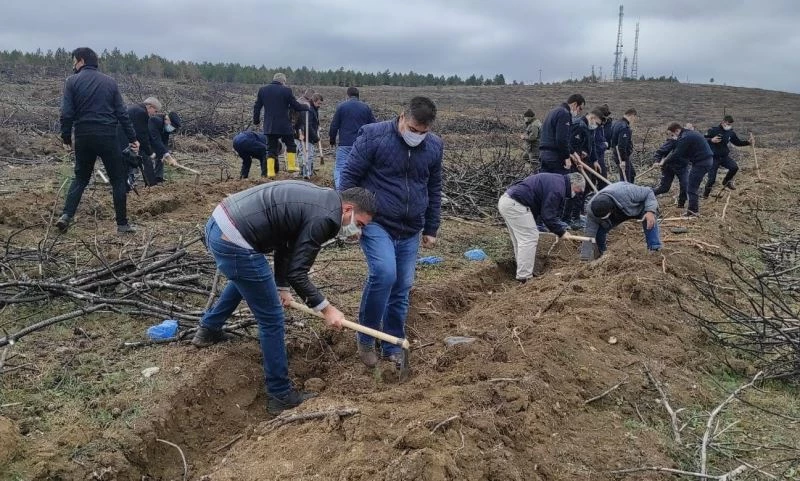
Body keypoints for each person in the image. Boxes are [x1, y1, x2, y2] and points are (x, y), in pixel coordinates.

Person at [192, 181, 377, 414]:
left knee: (248, 278)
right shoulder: (326, 219)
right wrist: (327, 309)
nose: (358, 232)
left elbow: (287, 242)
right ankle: (279, 395)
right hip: (234, 238)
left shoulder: (325, 200)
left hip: (220, 223)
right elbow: (298, 273)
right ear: (348, 209)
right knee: (271, 318)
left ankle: (208, 330)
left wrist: (281, 286)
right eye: (359, 224)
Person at [339, 96, 442, 368]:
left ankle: (392, 343)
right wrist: (350, 221)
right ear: (402, 117)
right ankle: (366, 338)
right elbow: (348, 177)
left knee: (402, 286)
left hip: (411, 226)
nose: (417, 136)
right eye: (413, 129)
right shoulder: (373, 136)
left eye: (423, 132)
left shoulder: (434, 146)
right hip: (377, 221)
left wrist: (431, 226)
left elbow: (434, 187)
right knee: (384, 274)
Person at [56, 47, 138, 234]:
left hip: (83, 136)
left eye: (74, 62)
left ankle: (66, 216)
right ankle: (122, 225)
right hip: (107, 136)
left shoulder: (72, 82)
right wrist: (133, 138)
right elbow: (122, 113)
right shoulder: (110, 82)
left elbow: (66, 113)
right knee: (118, 179)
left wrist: (66, 137)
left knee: (80, 178)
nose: (73, 66)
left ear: (81, 61)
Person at [498, 172, 584, 282]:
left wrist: (556, 228)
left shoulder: (557, 181)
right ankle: (524, 276)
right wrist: (561, 232)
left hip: (507, 201)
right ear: (573, 183)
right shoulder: (558, 189)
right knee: (529, 238)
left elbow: (547, 211)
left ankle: (523, 271)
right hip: (516, 204)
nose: (576, 194)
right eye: (578, 190)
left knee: (520, 240)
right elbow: (548, 216)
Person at [580, 182, 661, 260]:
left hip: (635, 207)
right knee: (599, 231)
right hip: (614, 215)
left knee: (649, 219)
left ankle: (654, 248)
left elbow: (649, 192)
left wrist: (650, 211)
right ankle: (602, 254)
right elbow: (589, 232)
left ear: (610, 210)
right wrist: (585, 257)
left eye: (603, 217)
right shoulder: (591, 209)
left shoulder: (627, 191)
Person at [253, 72, 309, 177]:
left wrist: (256, 120)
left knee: (270, 149)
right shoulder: (286, 90)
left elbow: (257, 107)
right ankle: (291, 166)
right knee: (291, 144)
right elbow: (296, 106)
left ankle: (270, 172)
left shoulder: (263, 90)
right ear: (283, 81)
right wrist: (306, 107)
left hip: (270, 125)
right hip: (284, 125)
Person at [329, 87, 376, 189]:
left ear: (348, 95)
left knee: (340, 168)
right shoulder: (366, 108)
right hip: (361, 145)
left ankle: (341, 192)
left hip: (344, 144)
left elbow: (334, 125)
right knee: (359, 169)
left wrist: (332, 140)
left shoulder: (341, 107)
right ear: (358, 96)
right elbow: (374, 126)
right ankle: (357, 192)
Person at [665, 122, 714, 217]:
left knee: (691, 187)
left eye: (673, 134)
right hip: (705, 160)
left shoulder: (685, 137)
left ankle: (693, 211)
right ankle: (693, 210)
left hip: (702, 162)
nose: (674, 136)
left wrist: (664, 161)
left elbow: (677, 153)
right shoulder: (689, 133)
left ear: (677, 130)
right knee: (692, 185)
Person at [703, 115, 752, 197]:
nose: (729, 126)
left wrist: (748, 142)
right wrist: (711, 140)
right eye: (728, 124)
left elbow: (737, 142)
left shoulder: (731, 133)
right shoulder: (713, 130)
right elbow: (702, 140)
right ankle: (705, 195)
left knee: (734, 167)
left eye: (730, 124)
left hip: (724, 157)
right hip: (713, 158)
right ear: (723, 122)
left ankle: (726, 181)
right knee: (711, 179)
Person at [119, 96, 162, 189]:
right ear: (150, 106)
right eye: (155, 111)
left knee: (131, 161)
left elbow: (144, 132)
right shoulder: (142, 113)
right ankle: (151, 184)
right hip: (124, 139)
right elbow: (142, 135)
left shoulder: (136, 108)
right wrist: (150, 152)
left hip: (123, 138)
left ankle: (129, 185)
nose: (155, 114)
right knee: (144, 158)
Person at [539, 94, 585, 174]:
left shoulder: (553, 112)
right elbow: (561, 139)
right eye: (580, 109)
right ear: (575, 104)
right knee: (560, 180)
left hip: (544, 155)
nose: (579, 112)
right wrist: (566, 157)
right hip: (555, 157)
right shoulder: (564, 114)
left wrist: (573, 153)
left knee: (546, 180)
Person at [651, 134, 688, 207]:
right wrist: (657, 161)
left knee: (685, 185)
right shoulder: (673, 141)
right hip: (668, 167)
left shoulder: (691, 141)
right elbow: (660, 152)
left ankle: (681, 205)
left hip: (682, 167)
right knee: (664, 188)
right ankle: (647, 193)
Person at [295, 93, 324, 179]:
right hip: (305, 135)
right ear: (314, 101)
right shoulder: (310, 110)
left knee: (306, 154)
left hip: (306, 135)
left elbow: (314, 122)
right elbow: (308, 125)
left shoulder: (314, 109)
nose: (320, 105)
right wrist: (315, 137)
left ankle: (307, 172)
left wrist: (317, 126)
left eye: (321, 103)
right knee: (307, 155)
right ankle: (306, 173)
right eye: (318, 103)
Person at [148, 111, 181, 184]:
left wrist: (165, 155)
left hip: (154, 141)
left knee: (161, 155)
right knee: (146, 158)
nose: (172, 129)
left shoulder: (165, 127)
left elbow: (164, 142)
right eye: (172, 126)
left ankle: (158, 177)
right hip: (145, 140)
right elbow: (156, 141)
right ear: (168, 119)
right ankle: (149, 181)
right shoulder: (155, 120)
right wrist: (169, 158)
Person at [610, 108, 638, 183]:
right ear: (632, 116)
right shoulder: (624, 127)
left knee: (632, 174)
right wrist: (623, 160)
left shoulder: (616, 123)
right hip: (621, 156)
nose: (634, 120)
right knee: (625, 179)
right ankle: (626, 190)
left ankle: (630, 188)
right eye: (635, 118)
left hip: (617, 154)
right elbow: (622, 146)